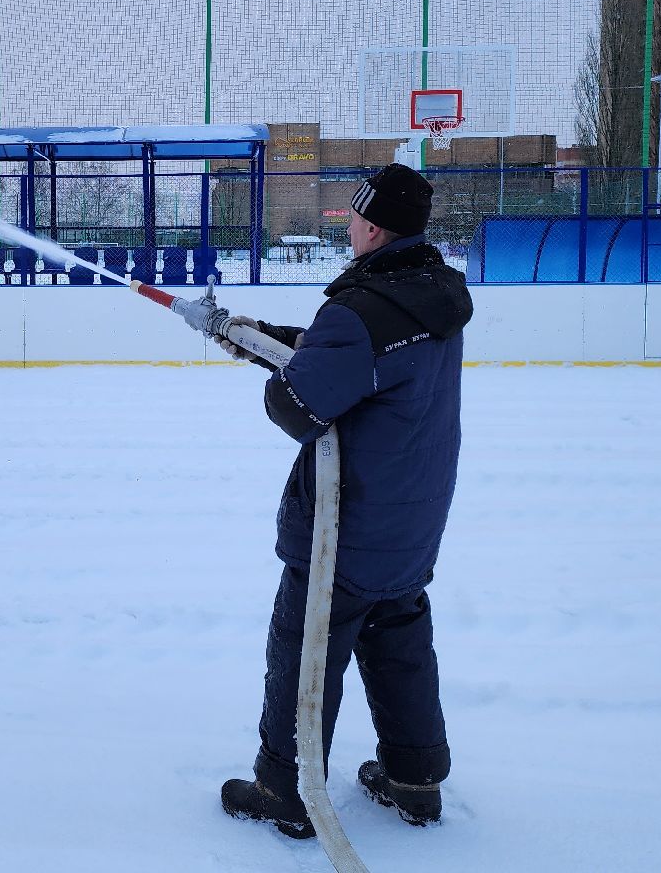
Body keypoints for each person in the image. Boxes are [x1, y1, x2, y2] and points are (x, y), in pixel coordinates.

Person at [216, 163, 473, 840]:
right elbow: (356, 363)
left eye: (357, 216)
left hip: (347, 525)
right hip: (411, 518)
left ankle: (284, 789)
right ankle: (416, 778)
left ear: (374, 228)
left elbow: (297, 404)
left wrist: (280, 373)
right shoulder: (433, 294)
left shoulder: (358, 313)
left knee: (305, 649)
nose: (351, 226)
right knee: (399, 640)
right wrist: (257, 337)